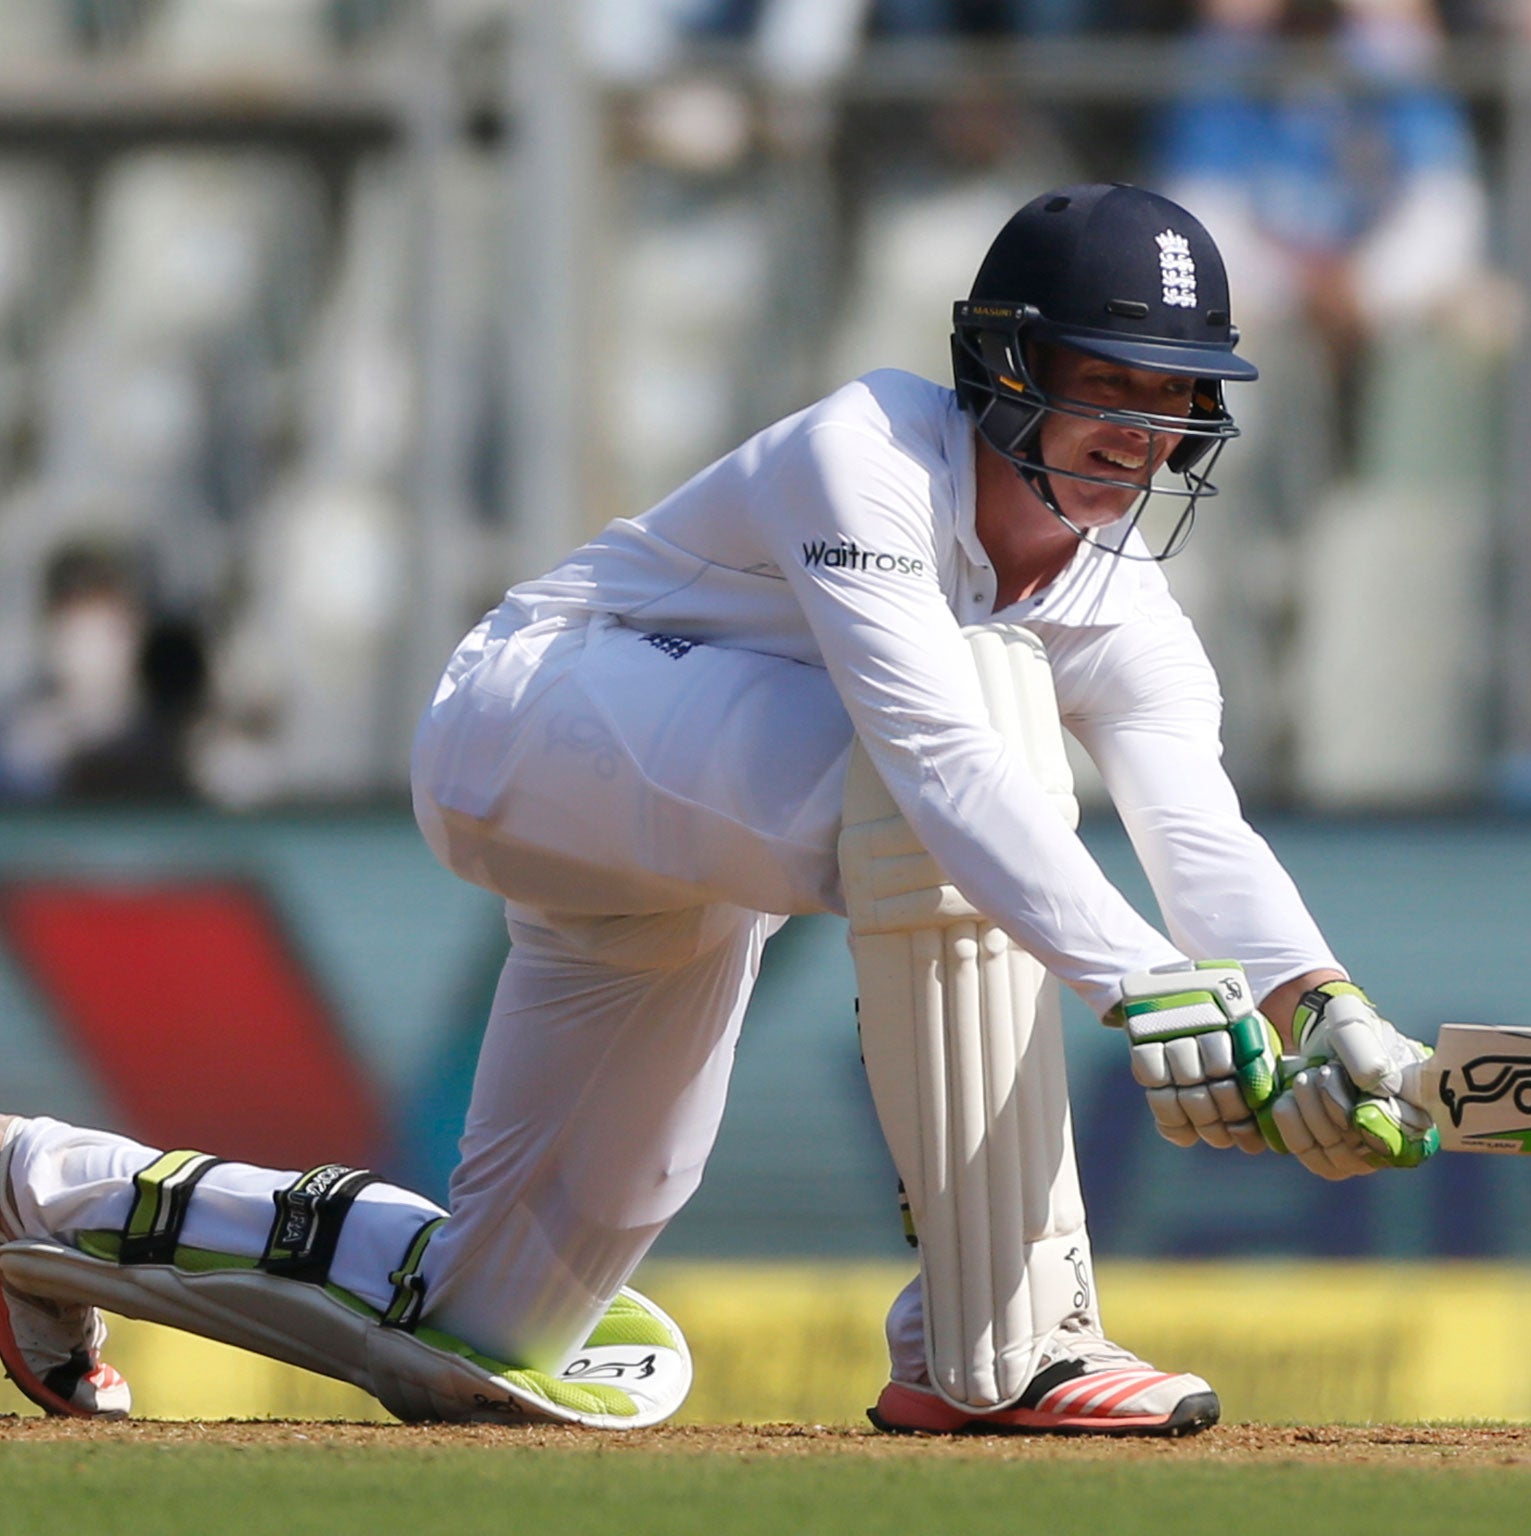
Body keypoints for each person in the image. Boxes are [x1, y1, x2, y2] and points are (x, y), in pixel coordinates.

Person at [0, 183, 1438, 1437]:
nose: (1142, 431)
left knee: (488, 1337)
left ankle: (43, 1203)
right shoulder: (869, 450)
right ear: (1007, 364)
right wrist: (1142, 987)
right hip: (536, 719)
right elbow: (936, 766)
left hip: (691, 844)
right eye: (1107, 382)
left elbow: (1201, 832)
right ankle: (1000, 1341)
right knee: (961, 748)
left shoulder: (1129, 607)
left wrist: (1323, 1008)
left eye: (1175, 394)